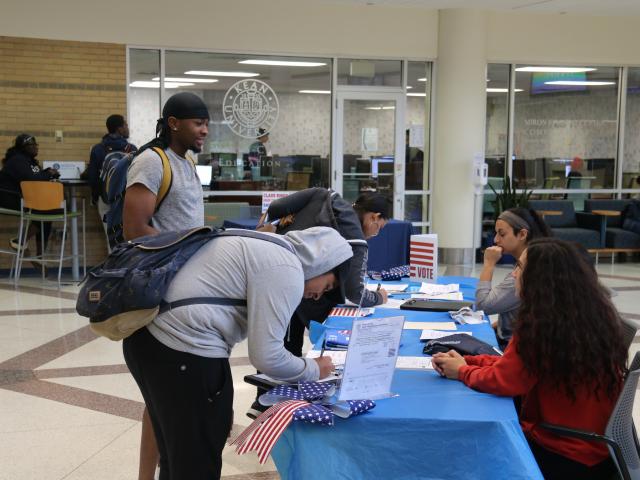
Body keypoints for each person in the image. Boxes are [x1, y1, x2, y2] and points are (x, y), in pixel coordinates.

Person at [123, 226, 351, 480]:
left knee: (179, 457)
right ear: (322, 262)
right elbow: (267, 356)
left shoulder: (267, 245)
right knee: (195, 464)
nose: (319, 294)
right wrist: (313, 369)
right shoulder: (287, 269)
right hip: (182, 351)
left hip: (148, 340)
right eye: (328, 284)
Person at [433, 238, 626, 480]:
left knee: (469, 449)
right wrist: (469, 361)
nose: (513, 274)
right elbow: (517, 367)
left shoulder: (541, 326)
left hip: (562, 449)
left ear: (540, 279)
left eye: (519, 267)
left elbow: (506, 382)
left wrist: (462, 372)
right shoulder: (587, 315)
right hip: (595, 449)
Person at [122, 91, 209, 480]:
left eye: (206, 123)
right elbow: (135, 229)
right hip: (161, 290)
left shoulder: (186, 162)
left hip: (186, 288)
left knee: (164, 400)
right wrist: (185, 251)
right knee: (159, 399)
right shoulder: (150, 162)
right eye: (197, 122)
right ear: (173, 123)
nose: (204, 130)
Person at [247, 189, 391, 418]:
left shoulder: (327, 198)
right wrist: (379, 298)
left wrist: (272, 225)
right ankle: (272, 409)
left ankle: (263, 402)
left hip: (271, 276)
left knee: (278, 344)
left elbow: (276, 208)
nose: (376, 234)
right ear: (374, 216)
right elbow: (356, 293)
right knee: (281, 351)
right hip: (295, 292)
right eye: (380, 227)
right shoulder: (355, 237)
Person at [476, 207, 551, 349]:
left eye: (502, 234)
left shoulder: (527, 272)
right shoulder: (536, 262)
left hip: (511, 346)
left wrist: (489, 264)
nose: (495, 239)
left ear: (522, 234)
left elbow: (482, 305)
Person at [0, 134, 60, 258]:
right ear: (23, 147)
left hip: (22, 198)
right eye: (32, 145)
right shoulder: (17, 160)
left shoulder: (28, 160)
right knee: (49, 209)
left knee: (48, 209)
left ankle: (39, 255)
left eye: (36, 145)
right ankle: (21, 241)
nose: (35, 148)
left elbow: (35, 176)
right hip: (9, 199)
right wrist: (49, 174)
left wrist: (48, 172)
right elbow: (32, 179)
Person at [83, 114, 137, 222]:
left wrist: (95, 197)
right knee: (126, 234)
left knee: (110, 234)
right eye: (125, 125)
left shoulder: (98, 149)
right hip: (128, 199)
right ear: (119, 129)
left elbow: (93, 178)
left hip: (106, 198)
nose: (127, 128)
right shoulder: (132, 149)